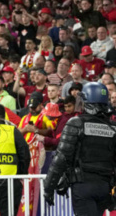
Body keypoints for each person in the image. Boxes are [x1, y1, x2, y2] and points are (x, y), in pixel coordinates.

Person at [44, 82, 116, 215]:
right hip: (104, 187)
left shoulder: (76, 123)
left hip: (83, 185)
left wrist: (48, 188)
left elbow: (61, 159)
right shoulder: (113, 127)